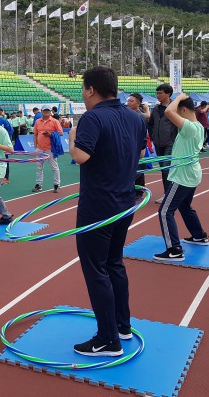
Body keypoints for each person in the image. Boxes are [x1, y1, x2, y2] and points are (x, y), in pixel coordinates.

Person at [68, 66, 146, 357]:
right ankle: (122, 326)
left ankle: (107, 339)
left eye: (83, 89)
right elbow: (140, 153)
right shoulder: (135, 117)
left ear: (90, 90)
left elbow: (80, 156)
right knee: (114, 263)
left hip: (98, 208)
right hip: (125, 203)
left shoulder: (92, 117)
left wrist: (72, 136)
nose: (83, 95)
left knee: (96, 270)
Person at [153, 94, 209, 261]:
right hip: (192, 174)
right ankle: (199, 236)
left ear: (183, 110)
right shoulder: (198, 126)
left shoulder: (190, 127)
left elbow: (168, 112)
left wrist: (177, 99)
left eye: (179, 111)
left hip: (182, 177)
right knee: (184, 206)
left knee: (164, 211)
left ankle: (174, 250)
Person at [147, 84, 178, 203]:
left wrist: (173, 138)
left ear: (168, 94)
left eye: (160, 93)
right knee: (163, 169)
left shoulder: (175, 107)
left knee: (166, 169)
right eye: (157, 93)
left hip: (170, 143)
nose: (158, 95)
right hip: (158, 143)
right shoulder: (156, 108)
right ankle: (169, 193)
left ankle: (168, 195)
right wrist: (153, 137)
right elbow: (150, 124)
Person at [32, 104, 63, 193]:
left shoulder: (54, 121)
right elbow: (35, 134)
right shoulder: (38, 121)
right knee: (39, 167)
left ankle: (57, 185)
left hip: (51, 148)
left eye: (48, 110)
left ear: (50, 112)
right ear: (41, 111)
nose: (46, 112)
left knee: (54, 167)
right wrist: (35, 145)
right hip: (40, 148)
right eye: (44, 110)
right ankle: (38, 184)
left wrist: (51, 134)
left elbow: (61, 133)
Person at [127, 94, 150, 200]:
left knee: (139, 167)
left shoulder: (141, 116)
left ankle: (139, 191)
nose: (128, 103)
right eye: (128, 101)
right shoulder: (126, 114)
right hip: (128, 144)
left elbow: (142, 133)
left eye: (131, 101)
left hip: (138, 144)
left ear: (138, 103)